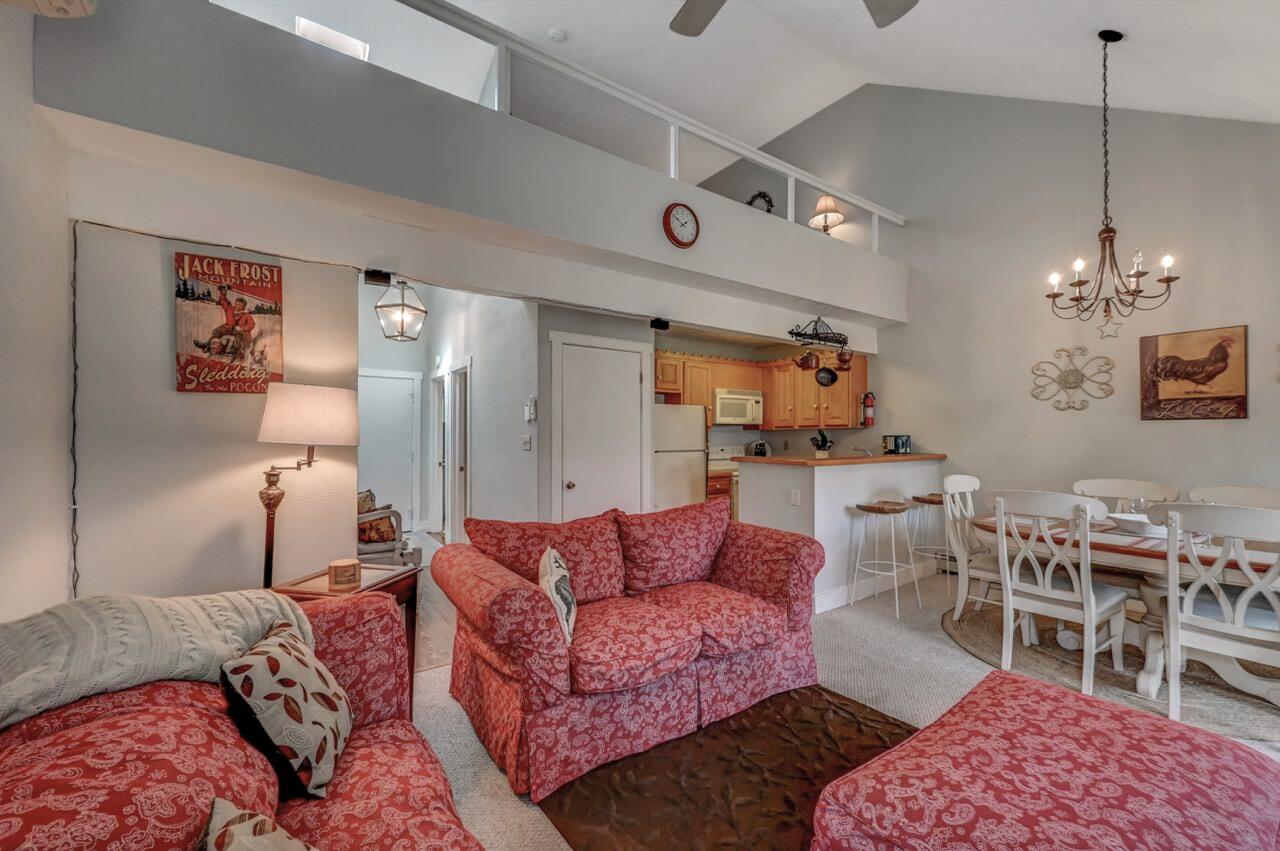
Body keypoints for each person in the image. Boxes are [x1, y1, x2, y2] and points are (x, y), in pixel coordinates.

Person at [194, 286, 256, 359]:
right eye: (236, 304)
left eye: (240, 305)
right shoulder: (230, 309)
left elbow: (252, 325)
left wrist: (241, 328)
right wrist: (223, 293)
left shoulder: (246, 315)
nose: (237, 306)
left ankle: (233, 350)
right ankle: (207, 344)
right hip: (230, 329)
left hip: (242, 333)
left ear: (243, 307)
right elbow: (223, 302)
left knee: (238, 335)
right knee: (219, 329)